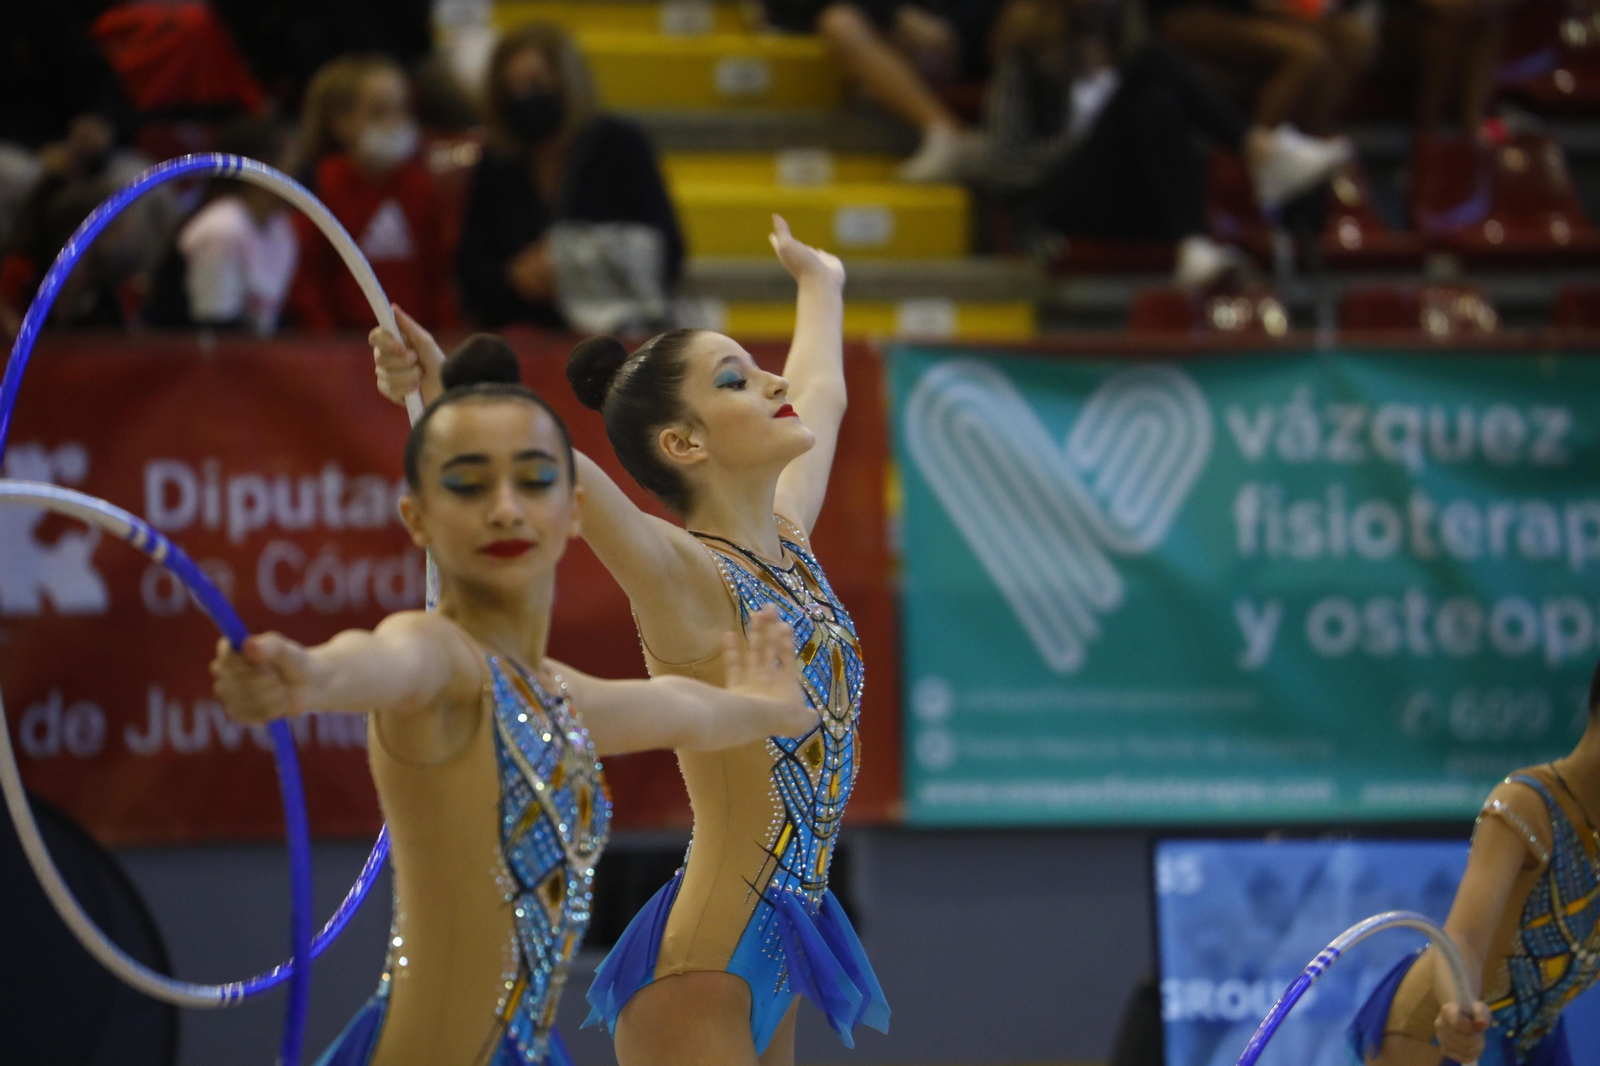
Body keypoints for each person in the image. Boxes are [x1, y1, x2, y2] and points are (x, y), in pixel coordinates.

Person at [211, 336, 818, 1066]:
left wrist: (768, 707)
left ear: (573, 512)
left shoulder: (559, 698)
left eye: (534, 482)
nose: (505, 511)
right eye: (468, 486)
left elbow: (689, 711)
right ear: (418, 518)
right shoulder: (440, 659)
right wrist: (303, 676)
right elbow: (378, 663)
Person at [369, 216, 888, 1065]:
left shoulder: (791, 539)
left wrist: (820, 282)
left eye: (759, 370)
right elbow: (555, 468)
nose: (769, 382)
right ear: (683, 444)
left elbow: (819, 389)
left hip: (783, 944)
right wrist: (435, 394)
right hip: (703, 968)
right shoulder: (684, 572)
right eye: (735, 381)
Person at [986, 0, 1350, 286]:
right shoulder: (1026, 61)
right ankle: (1258, 150)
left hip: (1136, 203)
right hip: (1064, 209)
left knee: (1156, 104)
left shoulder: (1125, 45)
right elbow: (1006, 168)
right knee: (1152, 60)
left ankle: (1193, 244)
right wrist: (1089, 142)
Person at [1349, 658, 1600, 1066]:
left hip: (1533, 1040)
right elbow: (1463, 937)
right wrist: (1456, 1009)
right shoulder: (1528, 805)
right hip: (1439, 1029)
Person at [455, 23, 683, 333]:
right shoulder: (498, 161)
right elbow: (470, 265)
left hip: (616, 335)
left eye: (535, 82)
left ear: (566, 81)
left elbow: (666, 249)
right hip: (523, 333)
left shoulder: (619, 145)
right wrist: (512, 274)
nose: (523, 97)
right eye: (511, 88)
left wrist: (568, 264)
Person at [289, 54, 454, 331]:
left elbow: (438, 277)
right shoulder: (321, 186)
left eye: (402, 109)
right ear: (340, 122)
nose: (394, 122)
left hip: (415, 343)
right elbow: (308, 278)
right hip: (346, 346)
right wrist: (328, 346)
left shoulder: (420, 187)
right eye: (378, 112)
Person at [763, 1, 993, 182]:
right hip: (897, 36)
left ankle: (1002, 135)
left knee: (1022, 14)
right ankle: (946, 132)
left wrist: (957, 29)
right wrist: (898, 15)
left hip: (977, 34)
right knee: (839, 22)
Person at [144, 119, 299, 333]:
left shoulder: (281, 228)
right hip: (183, 356)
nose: (297, 170)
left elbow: (270, 318)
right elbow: (214, 327)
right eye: (290, 158)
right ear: (264, 167)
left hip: (250, 353)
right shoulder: (222, 229)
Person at [1152, 0, 1375, 136]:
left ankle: (1307, 145)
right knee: (1307, 54)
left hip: (1254, 11)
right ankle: (1256, 157)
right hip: (1195, 8)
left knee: (1353, 40)